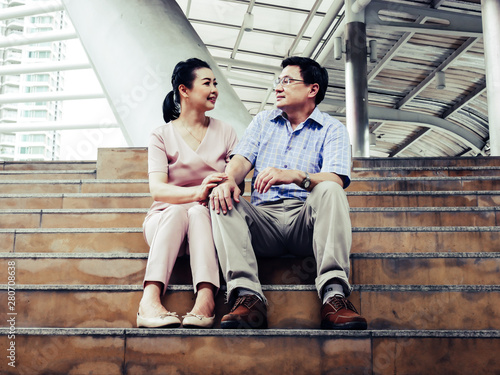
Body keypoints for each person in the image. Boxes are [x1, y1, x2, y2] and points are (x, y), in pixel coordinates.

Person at [209, 56, 367, 330]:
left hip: (306, 223)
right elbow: (240, 161)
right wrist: (228, 180)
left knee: (330, 189)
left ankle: (334, 296)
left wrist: (296, 176)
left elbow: (337, 178)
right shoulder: (262, 121)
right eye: (277, 81)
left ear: (312, 89)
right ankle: (247, 296)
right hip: (263, 222)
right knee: (222, 197)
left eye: (287, 81)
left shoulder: (333, 129)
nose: (278, 88)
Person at [137, 58, 238, 329]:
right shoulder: (160, 135)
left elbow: (235, 182)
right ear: (184, 90)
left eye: (215, 83)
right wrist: (199, 191)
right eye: (207, 83)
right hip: (164, 222)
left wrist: (204, 198)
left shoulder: (226, 131)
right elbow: (157, 189)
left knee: (196, 212)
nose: (215, 88)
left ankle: (206, 297)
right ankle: (149, 300)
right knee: (176, 211)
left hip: (208, 223)